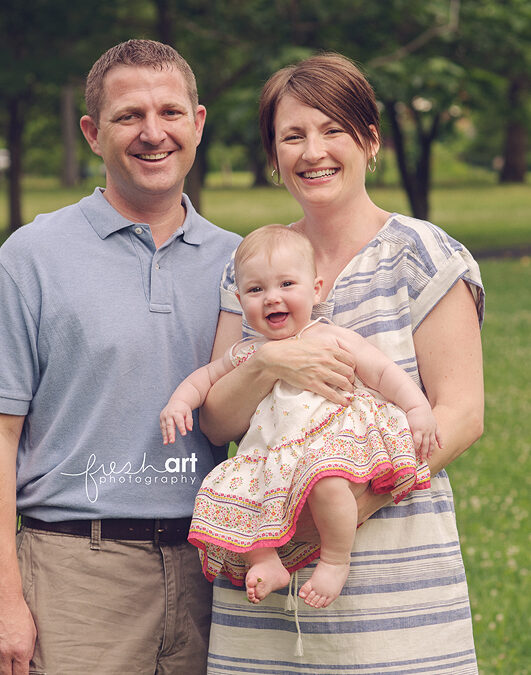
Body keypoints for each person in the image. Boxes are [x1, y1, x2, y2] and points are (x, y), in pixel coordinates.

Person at [199, 54, 485, 672]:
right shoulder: (252, 270)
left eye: (334, 129)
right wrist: (273, 361)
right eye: (292, 136)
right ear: (273, 158)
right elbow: (217, 423)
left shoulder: (420, 255)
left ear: (371, 141)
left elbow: (461, 415)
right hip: (263, 579)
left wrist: (342, 516)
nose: (313, 150)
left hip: (392, 578)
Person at [0, 39, 241, 675]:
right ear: (91, 133)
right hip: (75, 574)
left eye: (170, 112)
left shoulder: (246, 265)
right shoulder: (31, 257)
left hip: (214, 570)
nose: (152, 133)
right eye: (129, 115)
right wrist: (4, 602)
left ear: (198, 123)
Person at [161, 224, 440, 609]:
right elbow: (205, 379)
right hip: (272, 457)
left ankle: (336, 559)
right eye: (257, 290)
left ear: (316, 289)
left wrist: (416, 406)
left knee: (327, 482)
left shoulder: (327, 336)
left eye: (286, 284)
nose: (272, 298)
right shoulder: (246, 352)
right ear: (241, 299)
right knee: (233, 493)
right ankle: (265, 560)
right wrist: (179, 402)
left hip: (325, 443)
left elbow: (381, 372)